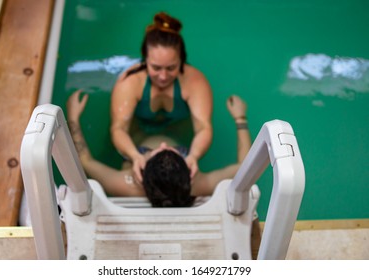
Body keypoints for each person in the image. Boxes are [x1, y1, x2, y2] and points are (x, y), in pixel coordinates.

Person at [66, 90, 251, 207]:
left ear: (141, 171)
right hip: (177, 133)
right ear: (188, 171)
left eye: (153, 153)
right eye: (174, 151)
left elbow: (85, 161)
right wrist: (240, 118)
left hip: (139, 138)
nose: (164, 145)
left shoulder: (127, 184)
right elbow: (245, 166)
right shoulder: (198, 184)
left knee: (126, 124)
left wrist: (73, 118)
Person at [110, 12, 213, 185]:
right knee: (131, 176)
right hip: (138, 133)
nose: (163, 76)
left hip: (178, 132)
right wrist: (135, 156)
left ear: (181, 60)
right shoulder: (130, 83)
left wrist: (194, 156)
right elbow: (118, 128)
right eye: (156, 68)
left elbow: (203, 127)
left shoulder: (195, 82)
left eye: (171, 67)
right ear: (145, 59)